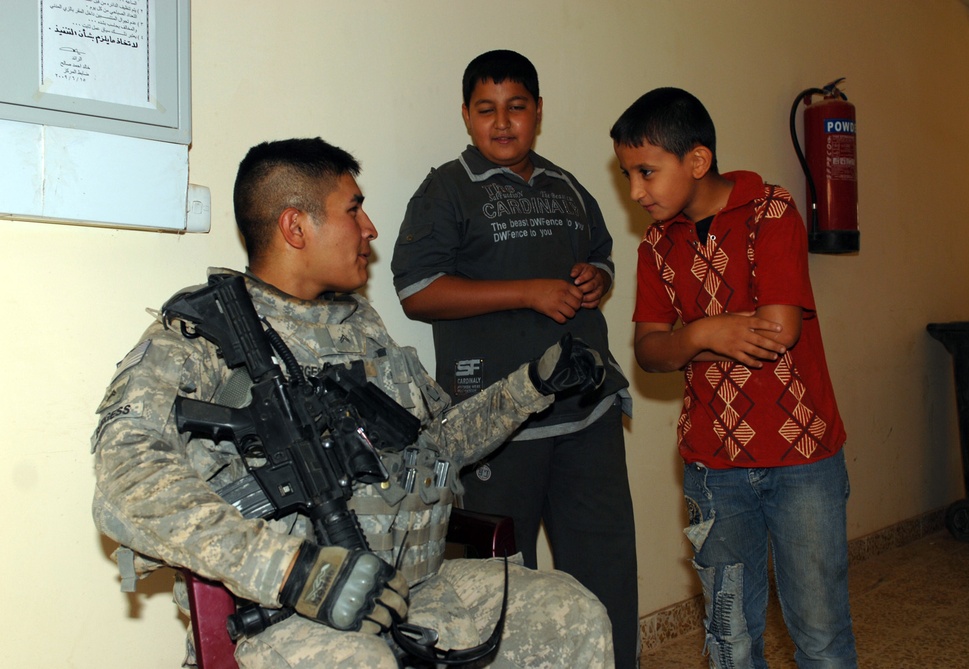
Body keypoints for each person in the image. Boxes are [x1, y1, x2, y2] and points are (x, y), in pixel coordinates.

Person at [90, 137, 616, 668]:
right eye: (354, 209)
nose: (371, 229)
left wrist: (532, 386)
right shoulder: (202, 334)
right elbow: (126, 476)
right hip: (287, 613)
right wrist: (294, 572)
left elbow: (437, 446)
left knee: (573, 612)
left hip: (416, 586)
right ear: (296, 227)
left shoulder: (359, 325)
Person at [391, 49, 638, 668]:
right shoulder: (446, 188)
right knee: (497, 587)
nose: (503, 123)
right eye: (486, 110)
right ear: (468, 118)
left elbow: (604, 256)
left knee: (607, 567)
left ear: (538, 113)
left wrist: (594, 279)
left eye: (517, 108)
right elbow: (417, 292)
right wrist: (527, 291)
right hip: (495, 424)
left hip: (587, 410)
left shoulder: (569, 186)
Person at [611, 87, 858, 669]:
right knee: (729, 639)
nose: (635, 191)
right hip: (712, 468)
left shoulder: (771, 211)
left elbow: (777, 332)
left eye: (646, 172)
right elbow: (649, 353)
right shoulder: (655, 246)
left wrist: (682, 341)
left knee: (820, 635)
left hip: (803, 459)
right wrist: (703, 334)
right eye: (628, 175)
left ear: (696, 161)